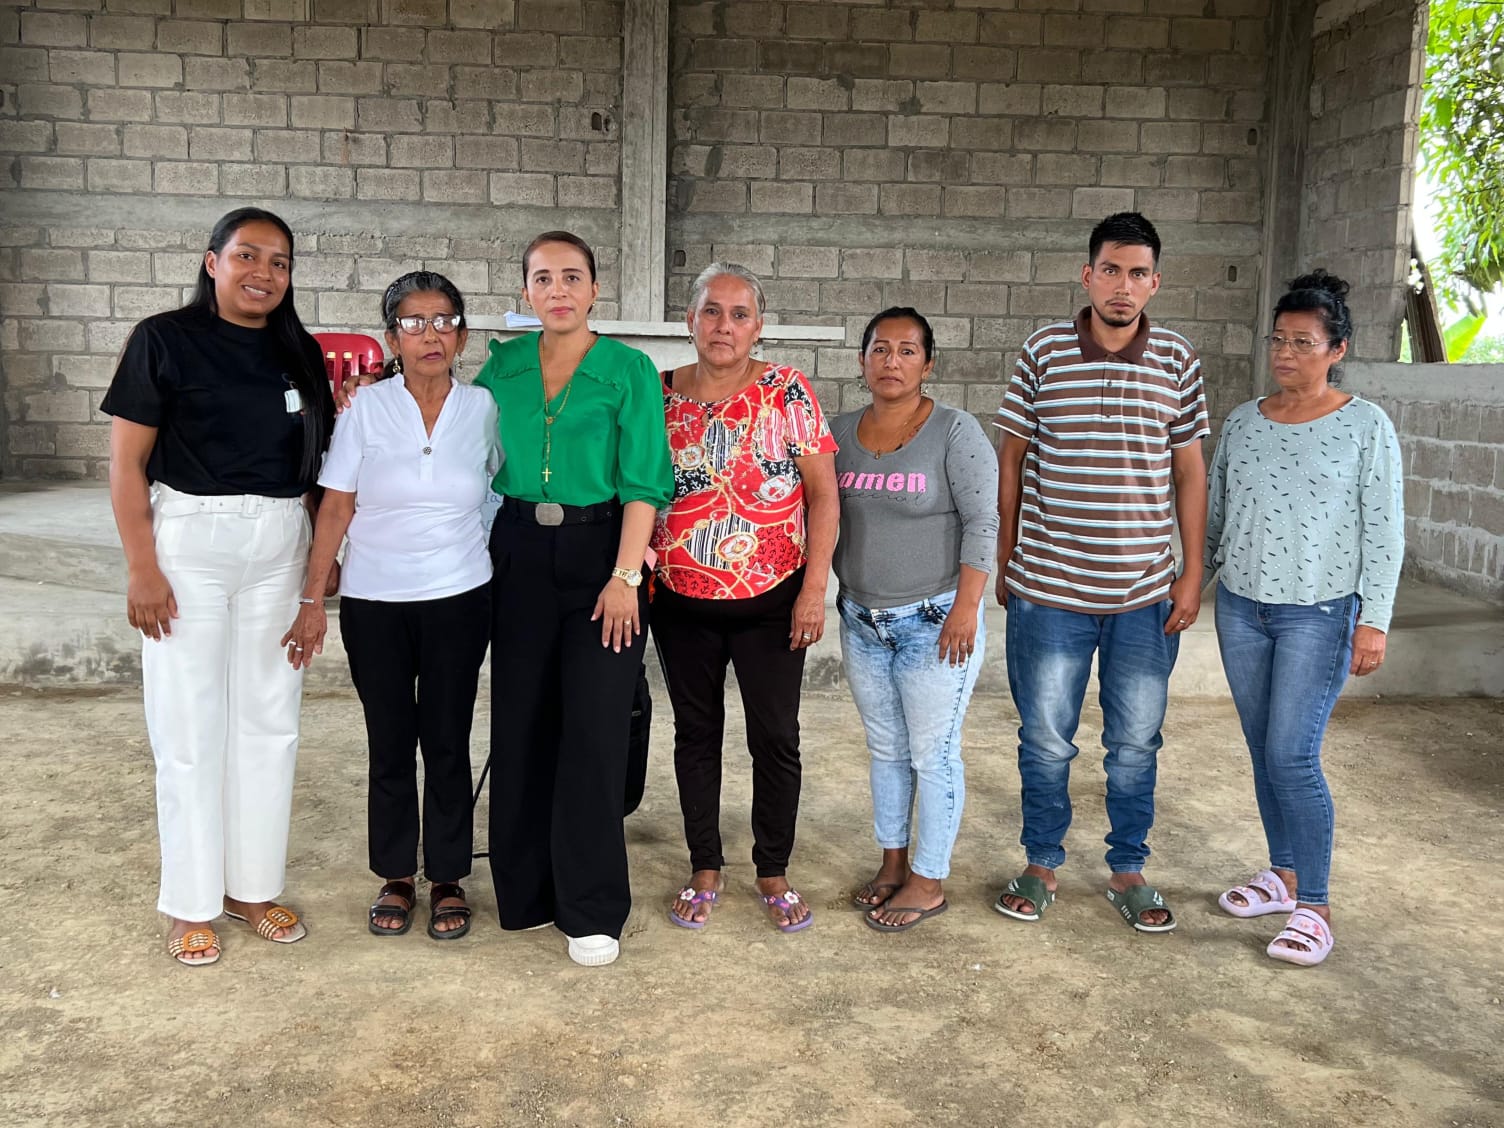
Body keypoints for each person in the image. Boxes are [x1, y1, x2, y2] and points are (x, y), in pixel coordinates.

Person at [102, 207, 334, 966]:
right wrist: (143, 566)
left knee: (270, 721)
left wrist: (318, 565)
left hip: (279, 542)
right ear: (212, 262)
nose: (263, 273)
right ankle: (191, 902)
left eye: (279, 262)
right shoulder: (163, 339)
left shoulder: (299, 351)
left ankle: (251, 889)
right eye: (247, 256)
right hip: (191, 545)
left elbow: (314, 467)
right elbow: (126, 464)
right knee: (190, 726)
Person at [994, 211, 1208, 933]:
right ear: (1087, 275)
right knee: (1045, 738)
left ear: (1156, 282)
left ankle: (1128, 869)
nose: (1123, 285)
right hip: (1049, 588)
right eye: (1111, 270)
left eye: (1138, 273)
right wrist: (1004, 557)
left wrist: (1190, 574)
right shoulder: (1043, 351)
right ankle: (1041, 863)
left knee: (1135, 744)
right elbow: (1012, 458)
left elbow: (1189, 472)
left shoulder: (1176, 358)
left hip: (1144, 594)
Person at [473, 231, 673, 967]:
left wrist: (625, 578)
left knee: (593, 728)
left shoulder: (628, 370)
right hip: (519, 550)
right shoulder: (501, 367)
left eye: (571, 277)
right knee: (522, 721)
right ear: (525, 290)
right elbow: (464, 448)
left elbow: (645, 481)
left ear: (594, 288)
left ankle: (590, 906)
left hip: (601, 556)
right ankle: (526, 892)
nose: (556, 290)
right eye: (542, 278)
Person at [284, 271, 498, 941]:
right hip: (375, 601)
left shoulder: (483, 408)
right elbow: (337, 506)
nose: (430, 335)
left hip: (460, 595)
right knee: (390, 741)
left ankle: (449, 876)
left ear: (462, 335)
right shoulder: (365, 409)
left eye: (443, 321)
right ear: (392, 337)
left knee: (447, 740)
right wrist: (312, 598)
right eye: (413, 322)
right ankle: (397, 873)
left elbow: (502, 488)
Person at [1206, 270, 1403, 967]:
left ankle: (1315, 907)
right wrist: (1189, 583)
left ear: (1336, 349)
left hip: (1318, 613)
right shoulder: (1243, 421)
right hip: (1241, 608)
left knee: (1293, 754)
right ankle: (1283, 875)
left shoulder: (1365, 426)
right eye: (1279, 340)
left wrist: (1374, 619)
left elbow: (1384, 529)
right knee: (1264, 749)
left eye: (1303, 342)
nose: (1285, 353)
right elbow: (1217, 514)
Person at [653, 262, 839, 934]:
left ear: (758, 326)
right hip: (680, 604)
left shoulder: (787, 390)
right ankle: (705, 867)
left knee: (775, 737)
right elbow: (636, 489)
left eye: (738, 315)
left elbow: (823, 496)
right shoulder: (658, 393)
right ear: (690, 321)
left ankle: (772, 870)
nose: (723, 326)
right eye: (711, 311)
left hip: (772, 603)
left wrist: (813, 591)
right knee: (695, 735)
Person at [833, 308, 998, 933]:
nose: (892, 361)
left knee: (933, 754)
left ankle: (928, 880)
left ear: (928, 364)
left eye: (907, 351)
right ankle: (893, 861)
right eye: (880, 349)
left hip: (935, 619)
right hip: (861, 620)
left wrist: (966, 608)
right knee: (886, 749)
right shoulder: (838, 432)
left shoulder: (955, 431)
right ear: (862, 361)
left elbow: (984, 521)